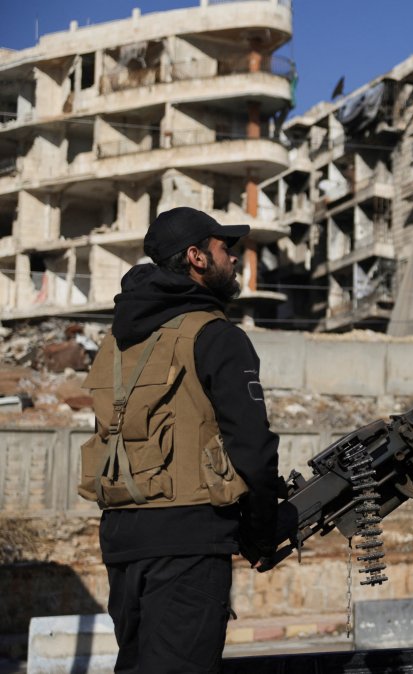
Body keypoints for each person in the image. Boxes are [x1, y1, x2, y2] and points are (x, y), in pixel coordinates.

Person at [79, 207, 290, 673]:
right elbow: (252, 450)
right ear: (196, 257)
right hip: (190, 541)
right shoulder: (216, 336)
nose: (234, 260)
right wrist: (260, 535)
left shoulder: (117, 341)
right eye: (224, 249)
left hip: (122, 541)